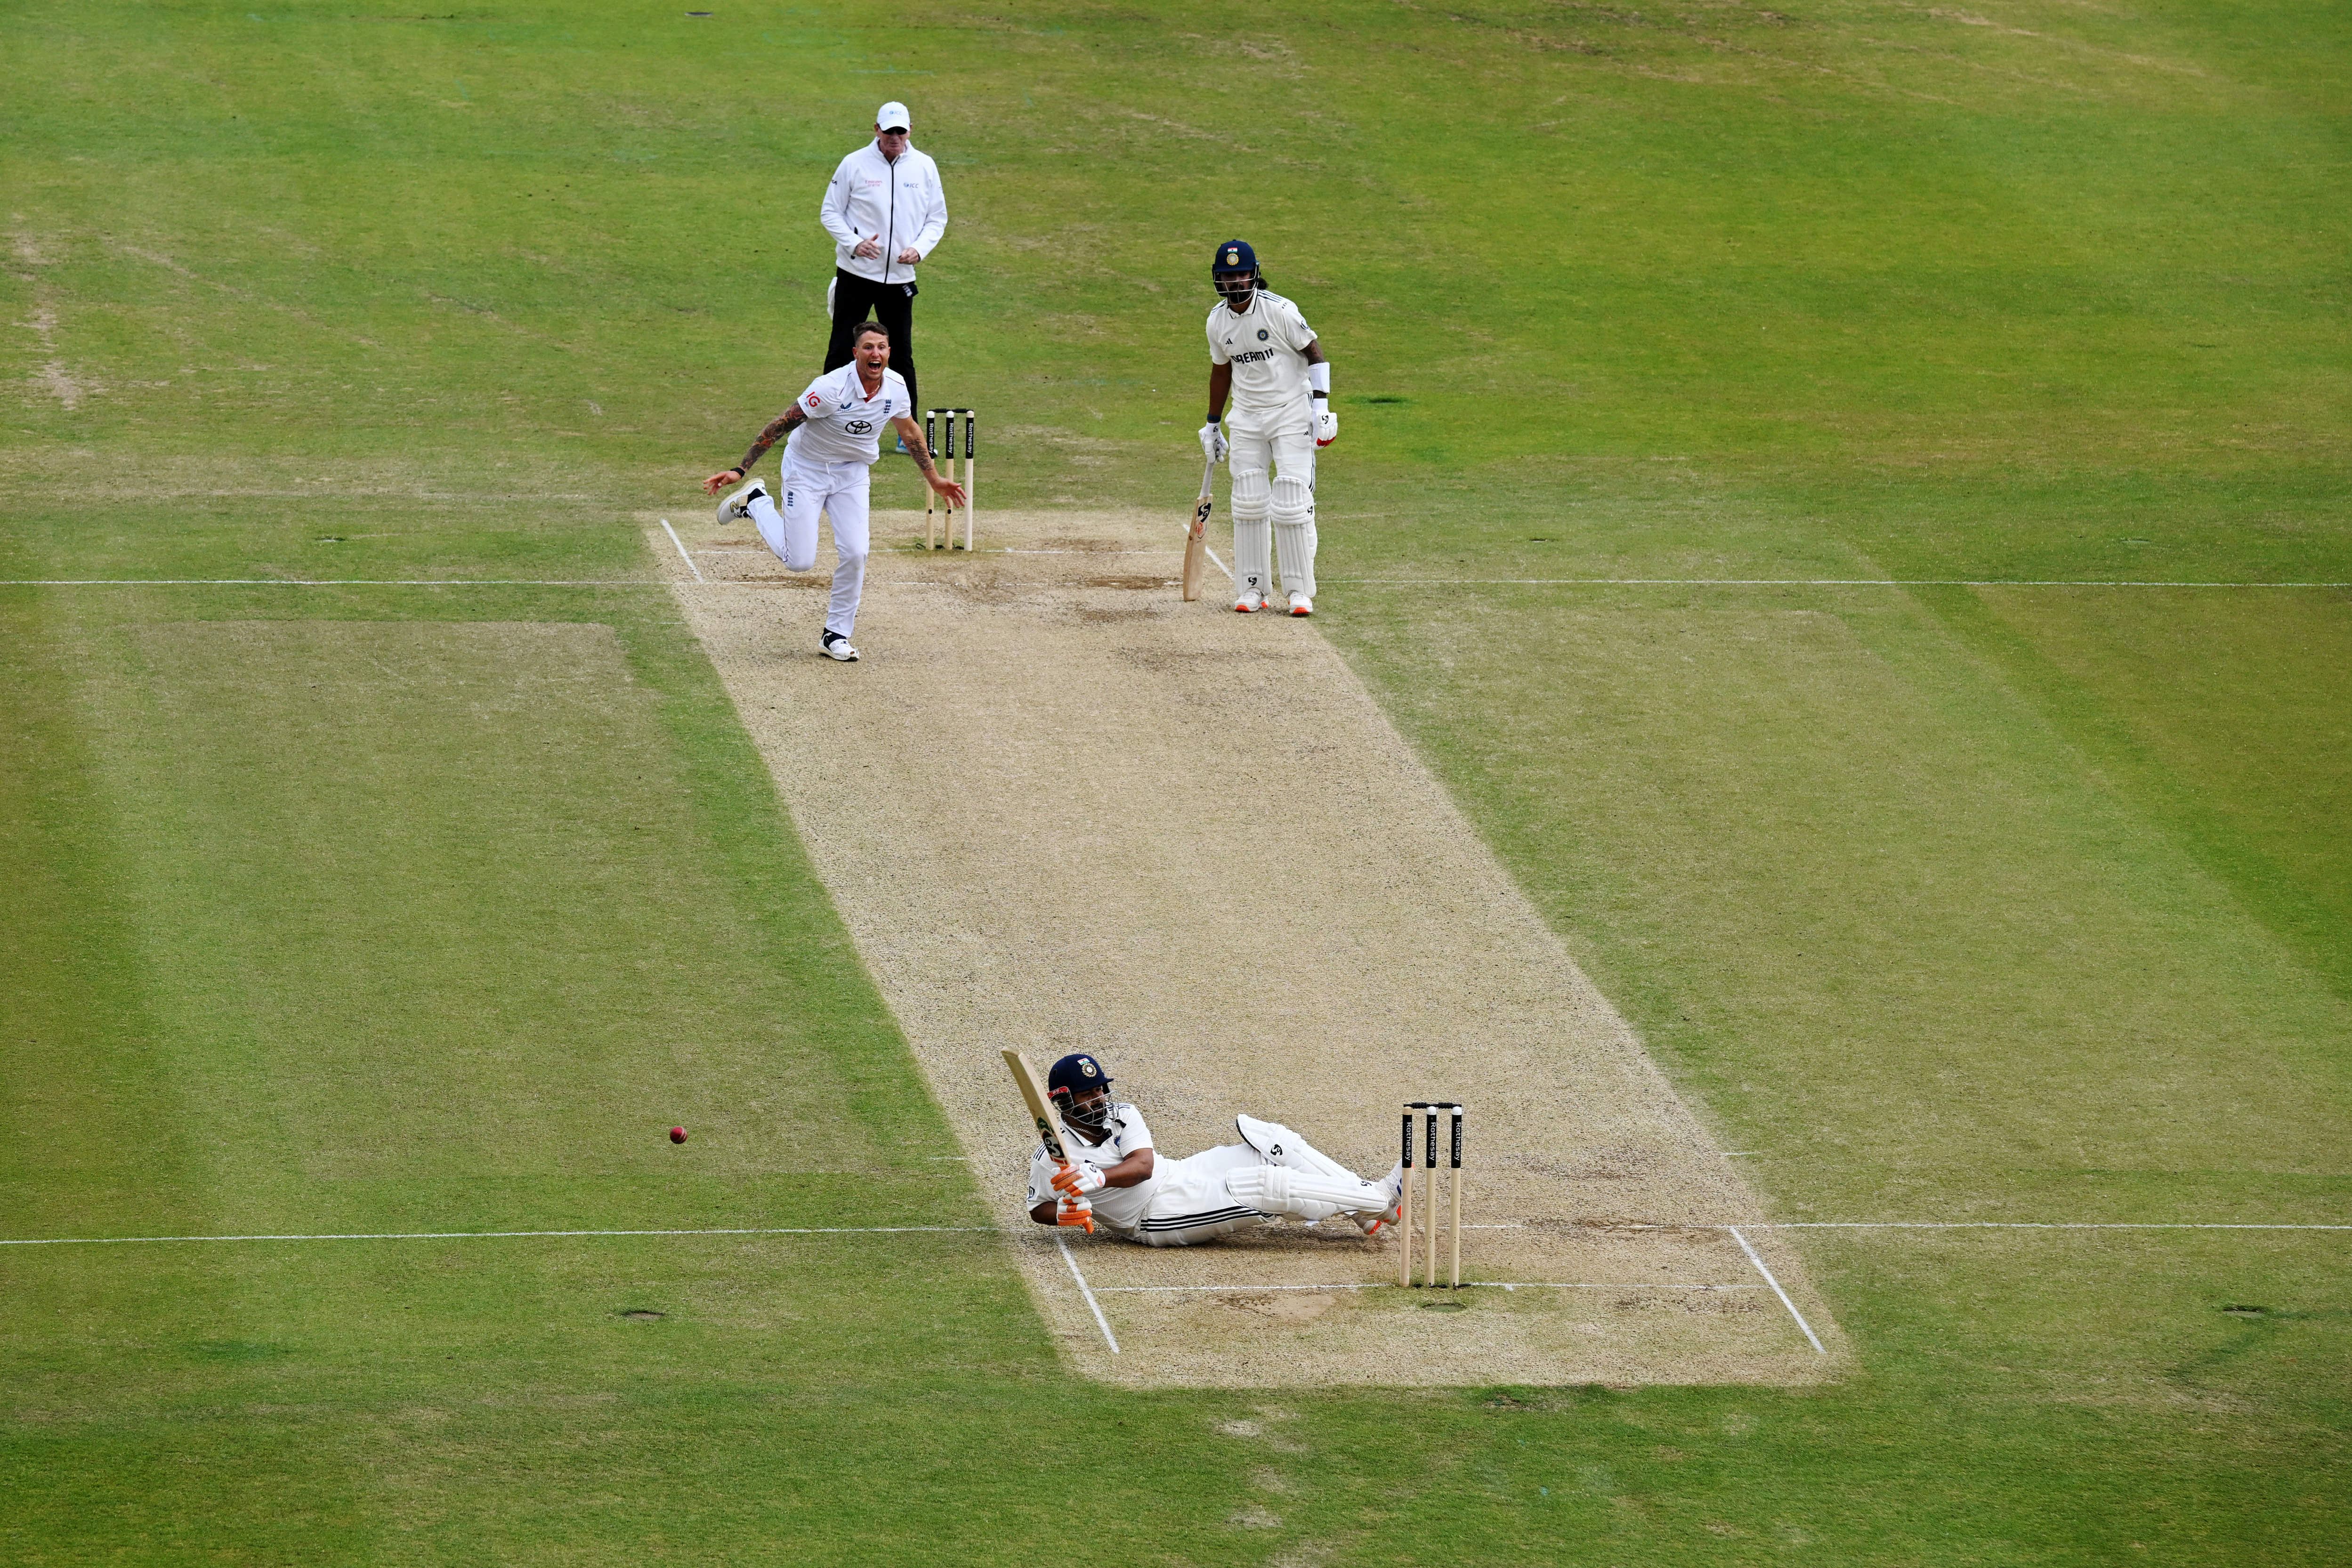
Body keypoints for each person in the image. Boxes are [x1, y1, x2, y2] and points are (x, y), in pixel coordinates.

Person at [704, 323, 967, 663]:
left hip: (852, 475)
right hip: (806, 471)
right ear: (855, 353)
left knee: (856, 553)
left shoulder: (897, 388)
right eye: (869, 347)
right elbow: (781, 424)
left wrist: (933, 478)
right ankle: (756, 502)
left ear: (889, 352)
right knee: (799, 562)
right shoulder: (829, 389)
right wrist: (740, 470)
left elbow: (910, 431)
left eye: (882, 347)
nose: (876, 354)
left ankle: (836, 634)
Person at [1024, 1051, 1401, 1247]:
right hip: (1153, 1216)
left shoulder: (1124, 1114)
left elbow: (1143, 1167)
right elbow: (1036, 1208)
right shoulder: (1051, 1157)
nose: (1100, 1100)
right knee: (1266, 1187)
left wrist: (1100, 1177)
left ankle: (1365, 1209)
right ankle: (1379, 1201)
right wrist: (1063, 1212)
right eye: (1088, 1095)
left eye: (1100, 1091)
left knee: (1268, 1141)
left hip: (1179, 1174)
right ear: (1064, 1102)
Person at [1201, 240, 1335, 616]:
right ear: (1217, 280)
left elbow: (1314, 352)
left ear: (1254, 274)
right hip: (1246, 416)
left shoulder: (1280, 311)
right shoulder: (1216, 321)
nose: (1235, 283)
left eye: (1241, 274)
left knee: (1293, 501)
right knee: (1248, 500)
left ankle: (1298, 592)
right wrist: (1212, 424)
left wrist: (1321, 409)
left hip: (1292, 411)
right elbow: (1221, 370)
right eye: (1228, 276)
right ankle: (1252, 588)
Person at [819, 100, 948, 415]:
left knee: (901, 354)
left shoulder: (924, 166)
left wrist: (919, 249)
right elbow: (830, 212)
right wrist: (854, 243)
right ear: (876, 130)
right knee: (841, 350)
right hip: (856, 273)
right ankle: (824, 417)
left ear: (909, 131)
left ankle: (908, 429)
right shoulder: (854, 163)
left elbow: (937, 218)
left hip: (900, 279)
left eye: (900, 132)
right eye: (889, 131)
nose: (895, 137)